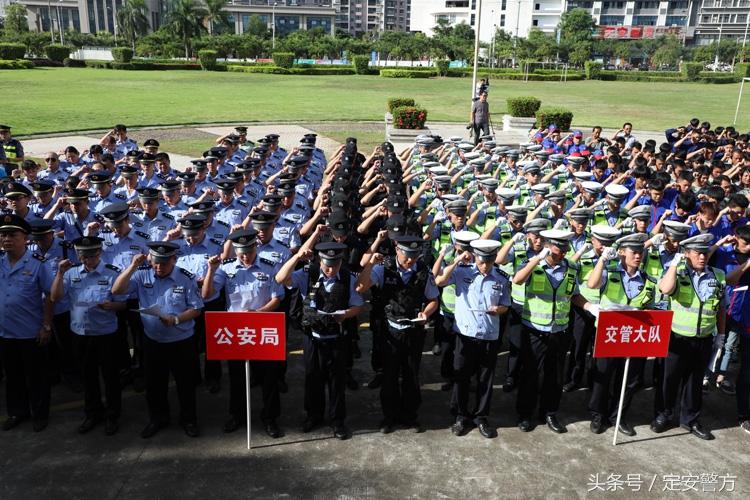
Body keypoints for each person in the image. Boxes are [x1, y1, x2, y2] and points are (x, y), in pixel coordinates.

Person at [111, 242, 204, 439]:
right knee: (154, 385)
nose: (159, 268)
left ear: (174, 260)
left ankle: (189, 420)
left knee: (185, 384)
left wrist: (177, 319)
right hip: (153, 341)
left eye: (164, 263)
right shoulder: (142, 273)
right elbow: (117, 290)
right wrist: (133, 266)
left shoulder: (185, 278)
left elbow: (196, 308)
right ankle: (158, 418)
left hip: (181, 341)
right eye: (155, 263)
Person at [275, 241, 364, 440]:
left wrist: (346, 314)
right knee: (312, 377)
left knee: (336, 382)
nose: (331, 269)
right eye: (327, 265)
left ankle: (337, 421)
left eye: (335, 265)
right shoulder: (308, 274)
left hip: (337, 338)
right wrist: (298, 257)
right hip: (313, 337)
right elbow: (280, 278)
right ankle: (313, 415)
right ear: (319, 261)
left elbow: (358, 305)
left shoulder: (348, 278)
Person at [202, 229, 285, 437]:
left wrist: (258, 312)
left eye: (248, 252)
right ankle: (237, 415)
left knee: (269, 377)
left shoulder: (269, 267)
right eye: (241, 253)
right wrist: (211, 271)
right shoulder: (226, 268)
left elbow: (277, 298)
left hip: (263, 327)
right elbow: (207, 295)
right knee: (237, 376)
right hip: (237, 330)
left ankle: (270, 417)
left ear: (255, 246)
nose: (245, 257)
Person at [512, 229, 596, 433]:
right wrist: (536, 260)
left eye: (566, 248)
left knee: (555, 376)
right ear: (549, 246)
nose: (563, 252)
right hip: (534, 330)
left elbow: (574, 294)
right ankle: (525, 414)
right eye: (559, 248)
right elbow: (518, 279)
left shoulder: (571, 268)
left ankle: (549, 412)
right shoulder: (534, 265)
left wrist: (591, 307)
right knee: (530, 374)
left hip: (559, 330)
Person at [357, 235, 439, 434]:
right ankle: (389, 417)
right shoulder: (382, 268)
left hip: (414, 331)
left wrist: (425, 313)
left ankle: (410, 416)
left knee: (411, 375)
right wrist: (369, 264)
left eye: (414, 255)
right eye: (407, 255)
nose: (410, 260)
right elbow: (360, 287)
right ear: (397, 250)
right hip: (390, 331)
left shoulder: (423, 271)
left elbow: (433, 299)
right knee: (390, 376)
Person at [50, 236, 127, 435]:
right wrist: (59, 273)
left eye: (91, 256)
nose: (86, 260)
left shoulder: (112, 273)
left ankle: (113, 415)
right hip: (80, 333)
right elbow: (55, 297)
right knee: (88, 376)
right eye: (82, 256)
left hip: (106, 334)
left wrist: (112, 306)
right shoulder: (72, 273)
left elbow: (123, 303)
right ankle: (93, 413)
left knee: (110, 376)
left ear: (99, 253)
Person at [651, 233, 725, 440]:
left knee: (694, 383)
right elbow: (665, 289)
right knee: (669, 379)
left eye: (705, 253)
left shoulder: (717, 275)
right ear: (687, 254)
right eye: (698, 253)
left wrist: (721, 334)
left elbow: (721, 308)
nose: (703, 257)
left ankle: (690, 419)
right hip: (677, 338)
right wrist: (674, 265)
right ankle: (663, 414)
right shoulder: (677, 272)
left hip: (704, 338)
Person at [435, 239, 511, 438]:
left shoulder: (501, 278)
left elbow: (506, 304)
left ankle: (481, 417)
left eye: (489, 261)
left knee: (485, 379)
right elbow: (440, 281)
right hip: (466, 334)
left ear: (495, 259)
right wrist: (457, 260)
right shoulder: (462, 272)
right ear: (475, 257)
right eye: (481, 260)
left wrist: (499, 309)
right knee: (462, 377)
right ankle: (461, 415)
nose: (484, 265)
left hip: (489, 334)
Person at [586, 233, 656, 436]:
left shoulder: (647, 280)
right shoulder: (610, 273)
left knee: (629, 380)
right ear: (622, 253)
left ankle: (618, 416)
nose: (638, 256)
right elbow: (592, 284)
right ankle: (598, 414)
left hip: (633, 336)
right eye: (634, 252)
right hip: (609, 334)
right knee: (603, 376)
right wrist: (601, 260)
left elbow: (650, 308)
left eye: (640, 252)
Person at [0, 214, 54, 432]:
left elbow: (50, 295)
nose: (6, 239)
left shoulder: (37, 264)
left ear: (25, 238)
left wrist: (47, 326)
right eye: (3, 235)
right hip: (5, 333)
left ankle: (40, 414)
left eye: (12, 234)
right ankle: (17, 412)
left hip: (31, 332)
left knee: (37, 377)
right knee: (13, 377)